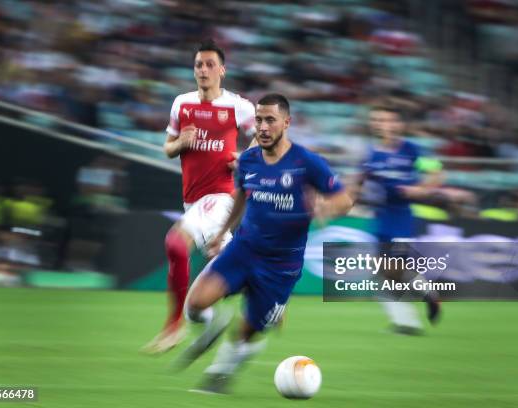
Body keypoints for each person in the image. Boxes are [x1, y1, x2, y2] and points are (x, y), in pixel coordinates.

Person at [177, 94, 353, 393]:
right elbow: (241, 199)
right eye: (258, 120)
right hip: (243, 250)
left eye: (270, 120)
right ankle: (212, 326)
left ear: (286, 122)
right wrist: (221, 234)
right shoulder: (247, 160)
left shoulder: (307, 162)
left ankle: (221, 375)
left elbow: (344, 200)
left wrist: (325, 208)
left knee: (247, 331)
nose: (263, 126)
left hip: (280, 266)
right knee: (193, 305)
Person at [142, 39, 256, 354]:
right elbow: (168, 148)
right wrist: (181, 143)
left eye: (209, 64)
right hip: (193, 202)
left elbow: (269, 139)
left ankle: (172, 329)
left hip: (220, 197)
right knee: (227, 269)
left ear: (222, 70)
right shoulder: (182, 103)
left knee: (176, 243)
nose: (203, 70)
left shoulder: (238, 106)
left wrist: (244, 157)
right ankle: (212, 318)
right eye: (198, 65)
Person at [359, 105, 442, 335]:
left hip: (401, 218)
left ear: (398, 125)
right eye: (376, 119)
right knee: (381, 274)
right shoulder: (370, 153)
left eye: (386, 120)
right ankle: (409, 320)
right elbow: (360, 182)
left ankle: (426, 297)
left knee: (393, 269)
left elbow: (437, 172)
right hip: (380, 218)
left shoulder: (411, 150)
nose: (380, 124)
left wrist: (421, 190)